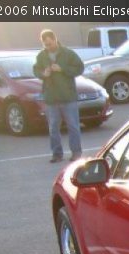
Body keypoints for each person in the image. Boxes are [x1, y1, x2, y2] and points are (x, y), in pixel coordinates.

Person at [32, 30, 84, 163]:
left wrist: (62, 69)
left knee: (73, 126)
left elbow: (80, 68)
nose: (48, 46)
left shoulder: (68, 53)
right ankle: (57, 154)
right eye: (45, 44)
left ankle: (76, 153)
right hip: (51, 98)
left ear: (55, 39)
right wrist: (44, 73)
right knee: (53, 128)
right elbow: (36, 70)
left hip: (68, 97)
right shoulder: (41, 56)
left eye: (50, 43)